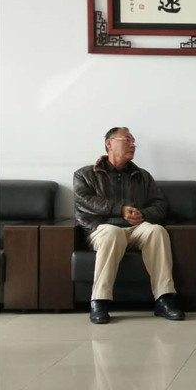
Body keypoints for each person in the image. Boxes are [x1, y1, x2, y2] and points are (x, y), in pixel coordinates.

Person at [74, 127, 184, 324]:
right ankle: (99, 301)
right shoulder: (85, 174)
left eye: (133, 141)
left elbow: (159, 204)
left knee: (157, 231)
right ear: (109, 143)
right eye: (127, 140)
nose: (133, 145)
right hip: (102, 228)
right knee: (113, 233)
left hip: (136, 228)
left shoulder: (142, 175)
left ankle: (164, 299)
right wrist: (120, 210)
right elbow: (85, 201)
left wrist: (144, 214)